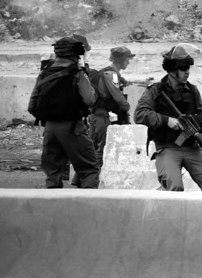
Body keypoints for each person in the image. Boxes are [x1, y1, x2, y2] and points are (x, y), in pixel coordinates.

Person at [134, 44, 202, 192]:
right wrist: (166, 120)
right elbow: (140, 114)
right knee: (174, 187)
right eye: (183, 69)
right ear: (172, 70)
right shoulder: (155, 90)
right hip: (168, 147)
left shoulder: (193, 91)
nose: (187, 72)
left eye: (188, 68)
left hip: (192, 147)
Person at [28, 34, 99, 189]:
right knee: (89, 168)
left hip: (49, 128)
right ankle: (90, 208)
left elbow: (32, 106)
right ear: (76, 54)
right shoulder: (78, 73)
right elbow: (90, 100)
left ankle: (52, 208)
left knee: (53, 172)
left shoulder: (44, 73)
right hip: (73, 127)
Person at [87, 46, 135, 168]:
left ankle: (81, 179)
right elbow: (117, 95)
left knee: (92, 147)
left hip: (95, 114)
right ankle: (95, 180)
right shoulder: (111, 74)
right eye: (127, 59)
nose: (128, 62)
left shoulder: (108, 72)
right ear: (121, 60)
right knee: (103, 147)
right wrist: (127, 106)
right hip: (101, 115)